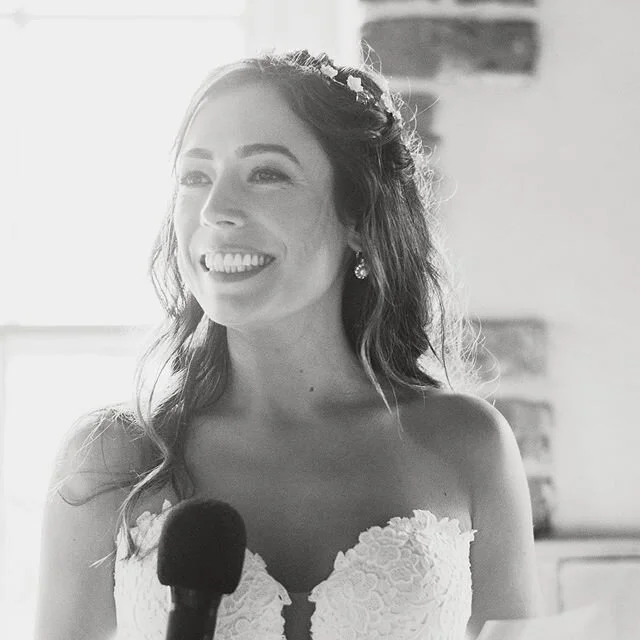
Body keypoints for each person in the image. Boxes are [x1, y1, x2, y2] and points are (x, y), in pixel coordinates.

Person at [35, 49, 541, 640]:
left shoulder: (466, 444)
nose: (216, 210)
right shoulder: (112, 460)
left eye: (266, 174)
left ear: (357, 215)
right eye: (195, 177)